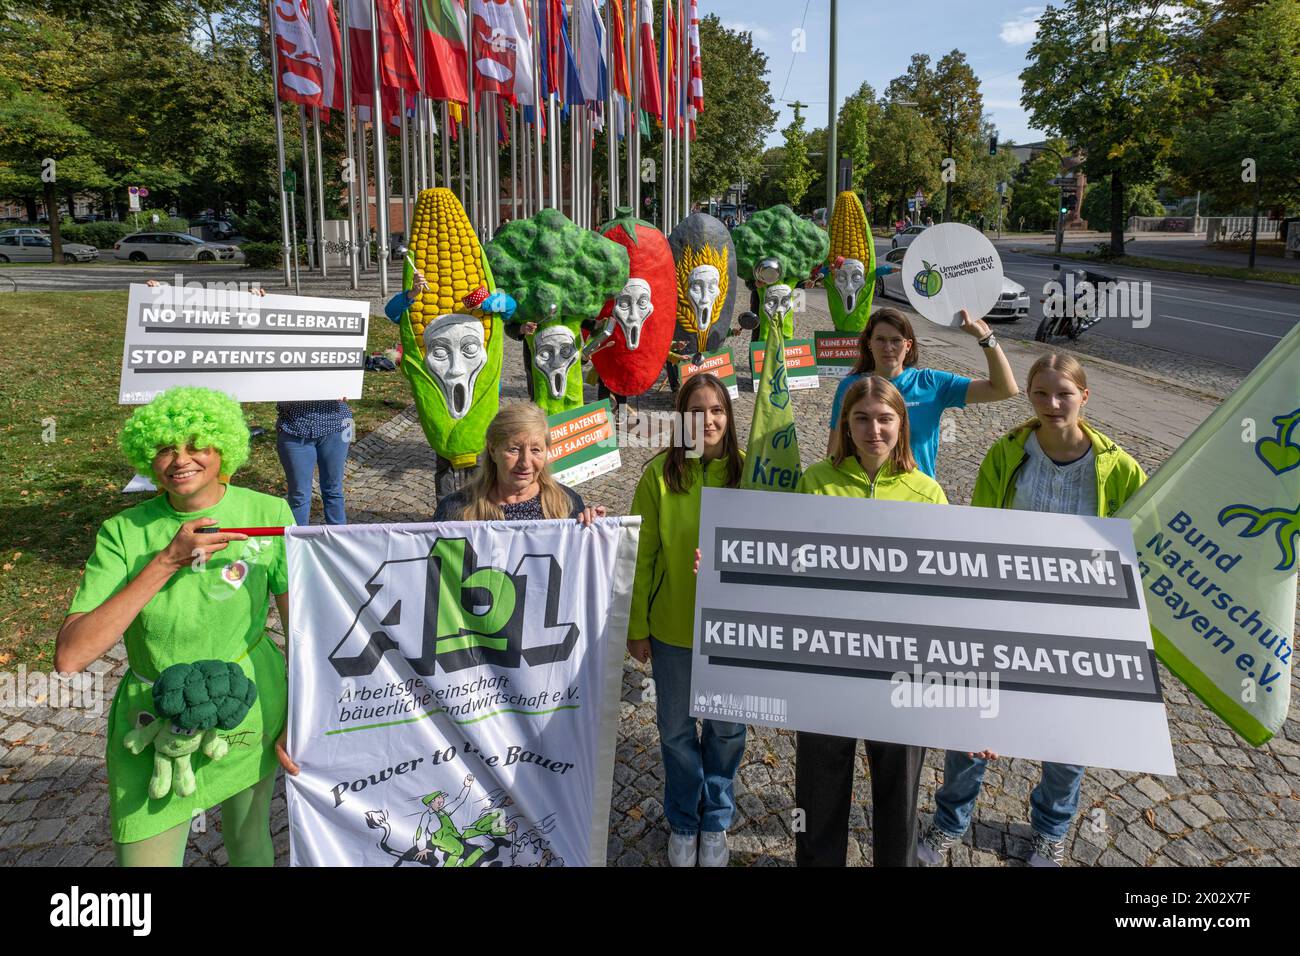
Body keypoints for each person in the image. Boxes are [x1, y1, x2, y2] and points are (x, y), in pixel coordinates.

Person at [918, 353, 1147, 868]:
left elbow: (1140, 552)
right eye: (1040, 394)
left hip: (1079, 626)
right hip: (1004, 617)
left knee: (1066, 736)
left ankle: (1051, 830)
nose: (1051, 404)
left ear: (1085, 397)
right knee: (973, 726)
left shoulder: (1122, 468)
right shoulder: (1006, 454)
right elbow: (979, 533)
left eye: (1063, 393)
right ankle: (950, 821)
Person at [56, 387, 299, 867]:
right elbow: (71, 656)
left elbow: (302, 629)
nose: (180, 460)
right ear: (148, 457)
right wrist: (166, 561)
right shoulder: (123, 533)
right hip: (151, 717)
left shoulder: (268, 513)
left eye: (197, 445)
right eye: (166, 448)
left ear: (224, 448)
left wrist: (302, 715)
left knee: (250, 842)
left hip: (248, 703)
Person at [794, 376, 947, 867]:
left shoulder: (928, 493)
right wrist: (724, 566)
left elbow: (946, 590)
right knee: (819, 788)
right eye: (861, 418)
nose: (872, 429)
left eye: (884, 419)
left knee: (899, 790)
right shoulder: (816, 480)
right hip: (827, 664)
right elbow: (786, 561)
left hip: (899, 669)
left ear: (901, 425)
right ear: (846, 423)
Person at [627, 372, 745, 867]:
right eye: (696, 412)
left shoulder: (750, 472)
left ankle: (715, 819)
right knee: (676, 731)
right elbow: (642, 554)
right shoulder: (659, 476)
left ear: (729, 417)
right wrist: (636, 626)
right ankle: (683, 819)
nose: (708, 420)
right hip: (672, 629)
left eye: (716, 410)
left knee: (725, 732)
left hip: (734, 635)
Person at [827, 307, 1018, 478]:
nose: (888, 348)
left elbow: (1004, 389)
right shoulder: (850, 386)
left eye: (896, 341)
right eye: (880, 340)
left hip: (916, 495)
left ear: (908, 345)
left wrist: (986, 339)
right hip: (861, 490)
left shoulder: (931, 384)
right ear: (869, 343)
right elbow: (835, 449)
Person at [432, 402, 605, 524]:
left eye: (536, 450)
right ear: (493, 450)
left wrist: (594, 528)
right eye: (513, 449)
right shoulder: (456, 510)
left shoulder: (568, 505)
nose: (525, 463)